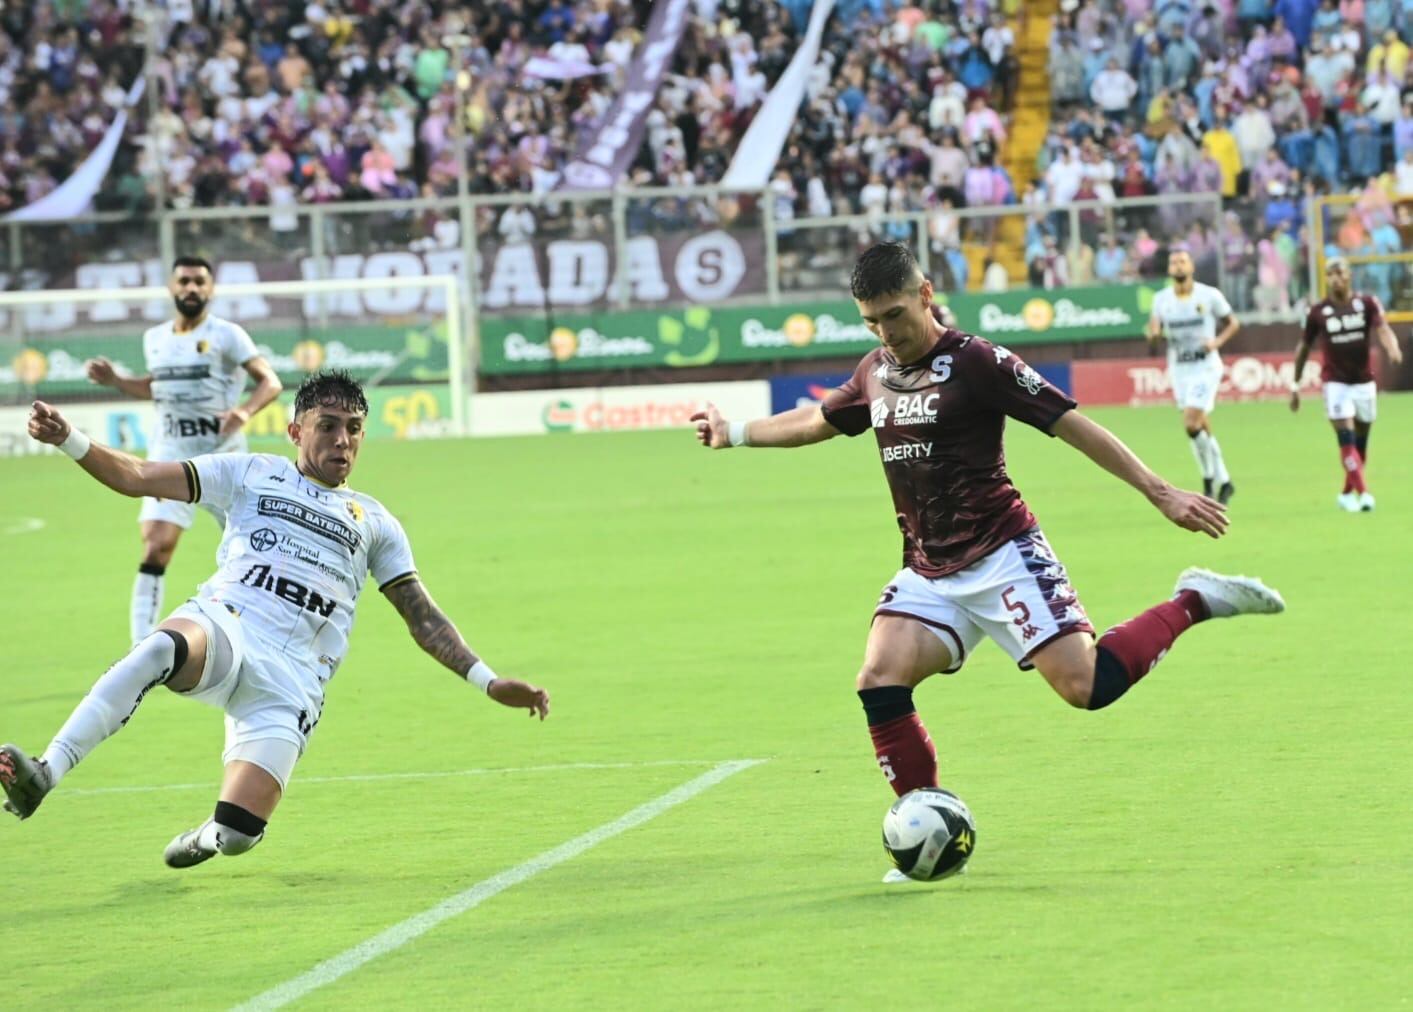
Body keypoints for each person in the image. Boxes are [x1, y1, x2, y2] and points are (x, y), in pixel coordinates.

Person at [690, 242, 1284, 884]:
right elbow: (816, 421)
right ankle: (926, 828)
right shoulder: (875, 372)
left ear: (924, 295)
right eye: (871, 322)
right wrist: (734, 433)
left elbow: (1071, 423)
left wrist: (1160, 491)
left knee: (1087, 687)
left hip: (1004, 555)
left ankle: (1193, 600)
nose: (885, 333)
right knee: (879, 679)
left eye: (894, 315)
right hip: (929, 569)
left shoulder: (978, 362)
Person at [3, 371, 550, 868]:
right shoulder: (250, 473)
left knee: (239, 834)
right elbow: (140, 475)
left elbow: (422, 618)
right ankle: (46, 771)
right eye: (328, 426)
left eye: (354, 429)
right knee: (161, 648)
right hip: (229, 626)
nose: (342, 440)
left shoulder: (376, 523)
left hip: (292, 682)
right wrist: (70, 439)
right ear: (295, 431)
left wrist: (488, 681)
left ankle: (206, 837)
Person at [85, 256, 284, 645]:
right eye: (184, 281)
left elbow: (271, 382)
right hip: (170, 456)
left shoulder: (228, 334)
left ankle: (266, 630)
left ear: (210, 289)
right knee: (156, 545)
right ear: (171, 287)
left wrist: (244, 411)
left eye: (199, 282)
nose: (191, 288)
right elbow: (156, 386)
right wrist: (117, 381)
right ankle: (140, 648)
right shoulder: (155, 338)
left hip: (222, 460)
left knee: (253, 551)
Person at [1290, 257, 1405, 511]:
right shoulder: (1317, 312)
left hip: (1364, 383)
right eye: (1330, 274)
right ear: (1326, 279)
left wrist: (1392, 348)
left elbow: (1383, 329)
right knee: (1347, 439)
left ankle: (1345, 494)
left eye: (1340, 273)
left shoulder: (1367, 304)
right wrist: (1295, 385)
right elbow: (1304, 348)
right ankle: (1364, 494)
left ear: (1349, 275)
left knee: (1360, 446)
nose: (1335, 279)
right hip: (1336, 385)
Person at [1145, 248, 1241, 504]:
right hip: (1179, 369)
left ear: (1191, 267)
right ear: (1169, 269)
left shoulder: (1209, 295)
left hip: (1205, 367)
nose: (1178, 266)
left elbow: (1233, 323)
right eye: (1174, 262)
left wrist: (1217, 342)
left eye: (1182, 261)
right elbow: (1154, 333)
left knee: (1190, 422)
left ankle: (1209, 478)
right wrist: (1153, 336)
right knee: (1199, 425)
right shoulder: (1161, 300)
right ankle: (1224, 481)